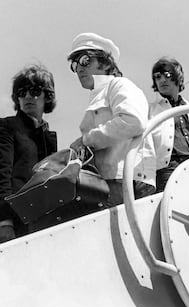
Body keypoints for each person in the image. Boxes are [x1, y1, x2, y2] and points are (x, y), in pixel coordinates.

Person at [68, 33, 156, 207]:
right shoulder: (99, 94)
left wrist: (86, 140)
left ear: (106, 63)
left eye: (85, 60)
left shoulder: (119, 85)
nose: (79, 68)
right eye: (74, 64)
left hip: (124, 180)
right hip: (104, 182)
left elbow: (133, 121)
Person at [0, 64, 58, 244]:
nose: (27, 96)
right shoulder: (5, 127)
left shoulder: (47, 137)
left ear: (46, 96)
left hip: (44, 223)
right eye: (21, 92)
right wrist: (3, 220)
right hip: (16, 223)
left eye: (34, 91)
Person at [149, 57, 189, 192]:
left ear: (178, 77)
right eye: (157, 77)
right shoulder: (150, 110)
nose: (162, 80)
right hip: (167, 168)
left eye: (167, 75)